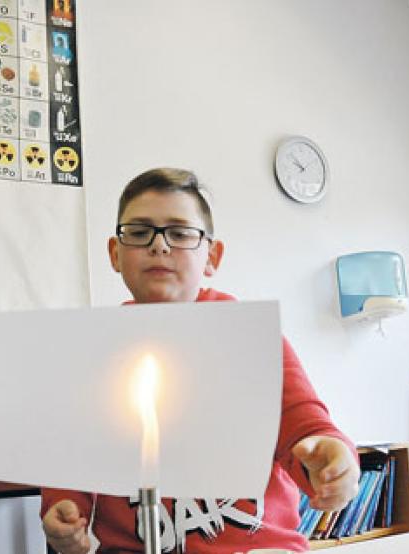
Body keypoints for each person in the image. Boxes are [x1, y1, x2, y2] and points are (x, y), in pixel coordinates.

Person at [40, 168, 361, 553]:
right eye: (139, 233)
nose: (159, 246)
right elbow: (74, 454)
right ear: (115, 253)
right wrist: (64, 509)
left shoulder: (252, 340)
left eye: (179, 233)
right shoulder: (92, 354)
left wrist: (332, 460)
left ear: (211, 255)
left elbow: (306, 426)